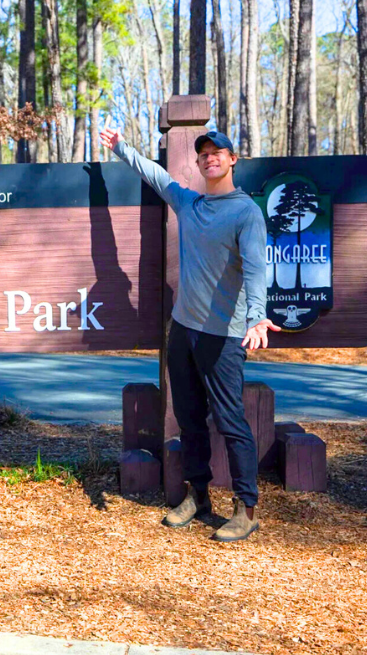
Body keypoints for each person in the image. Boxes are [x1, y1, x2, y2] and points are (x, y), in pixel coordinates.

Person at [99, 126, 278, 542]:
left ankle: (246, 508)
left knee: (231, 421)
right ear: (198, 163)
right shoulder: (190, 203)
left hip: (224, 336)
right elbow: (156, 176)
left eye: (218, 152)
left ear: (232, 160)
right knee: (189, 418)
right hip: (183, 330)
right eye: (204, 154)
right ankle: (198, 495)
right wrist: (121, 148)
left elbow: (256, 268)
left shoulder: (246, 212)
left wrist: (257, 315)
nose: (210, 157)